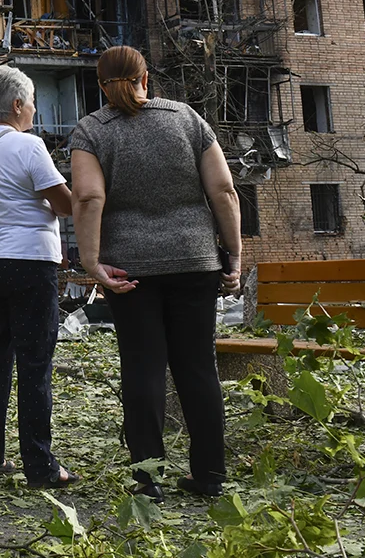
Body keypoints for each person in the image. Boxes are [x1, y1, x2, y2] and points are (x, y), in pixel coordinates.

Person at [69, 45, 241, 502]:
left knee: (143, 368)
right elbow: (223, 190)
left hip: (129, 267)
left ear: (100, 84)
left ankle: (147, 483)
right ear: (147, 77)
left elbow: (87, 197)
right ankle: (210, 477)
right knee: (198, 369)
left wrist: (90, 262)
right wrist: (235, 255)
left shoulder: (91, 130)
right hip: (194, 260)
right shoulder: (186, 118)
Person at [0, 65, 77, 487]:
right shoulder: (30, 146)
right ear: (18, 105)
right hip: (28, 262)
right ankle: (40, 465)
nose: (36, 111)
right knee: (35, 362)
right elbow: (64, 205)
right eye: (34, 102)